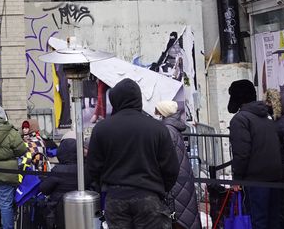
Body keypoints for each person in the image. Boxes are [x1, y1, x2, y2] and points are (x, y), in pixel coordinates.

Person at [87, 79, 181, 229]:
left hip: (115, 197)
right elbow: (171, 168)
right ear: (139, 99)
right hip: (149, 196)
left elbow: (93, 167)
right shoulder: (157, 129)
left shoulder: (102, 129)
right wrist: (160, 188)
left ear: (115, 99)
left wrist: (104, 186)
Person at [228, 79, 284, 229]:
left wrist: (237, 178)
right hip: (275, 177)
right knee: (273, 222)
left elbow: (242, 152)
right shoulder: (267, 116)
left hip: (255, 179)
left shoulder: (240, 119)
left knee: (257, 221)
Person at [156, 100, 199, 229]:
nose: (155, 114)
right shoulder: (172, 127)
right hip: (181, 177)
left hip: (176, 181)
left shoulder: (167, 129)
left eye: (158, 111)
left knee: (178, 217)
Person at [39, 138, 79, 228]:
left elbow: (44, 189)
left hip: (57, 212)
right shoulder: (84, 168)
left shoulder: (58, 170)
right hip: (80, 212)